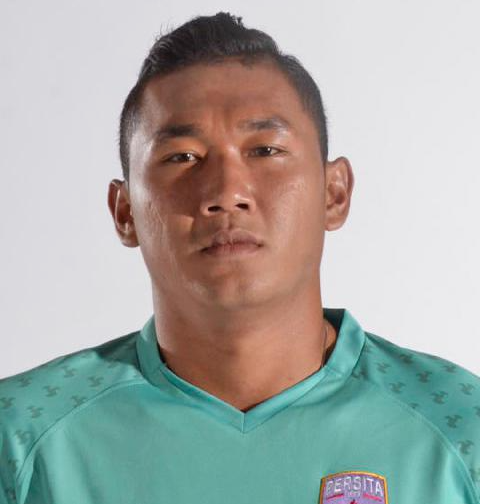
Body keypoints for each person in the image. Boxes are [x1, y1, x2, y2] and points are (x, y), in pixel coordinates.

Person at [1, 11, 479, 504]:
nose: (227, 192)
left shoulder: (463, 431)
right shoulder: (18, 441)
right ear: (125, 213)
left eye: (266, 150)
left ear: (334, 194)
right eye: (182, 157)